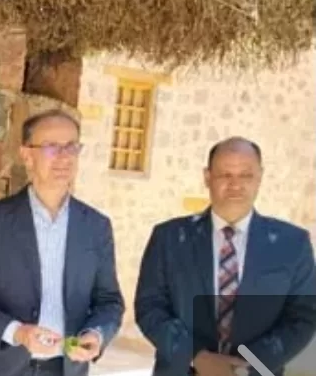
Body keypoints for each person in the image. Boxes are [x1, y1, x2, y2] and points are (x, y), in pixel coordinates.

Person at [0, 109, 124, 376]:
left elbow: (109, 301)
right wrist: (17, 332)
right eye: (52, 147)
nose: (64, 157)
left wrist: (96, 334)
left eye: (71, 147)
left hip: (64, 369)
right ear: (27, 155)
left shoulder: (96, 226)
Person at [134, 137, 316, 376]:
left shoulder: (293, 244)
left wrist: (247, 365)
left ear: (260, 177)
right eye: (225, 175)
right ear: (207, 177)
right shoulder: (168, 238)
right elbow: (150, 308)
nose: (235, 185)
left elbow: (304, 316)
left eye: (246, 175)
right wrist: (196, 356)